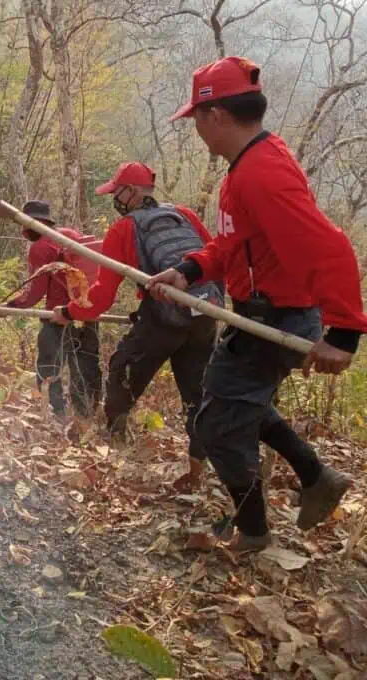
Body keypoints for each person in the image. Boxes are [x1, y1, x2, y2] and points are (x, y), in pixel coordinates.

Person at [147, 56, 364, 551]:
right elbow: (236, 244)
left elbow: (327, 247)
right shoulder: (248, 166)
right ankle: (315, 477)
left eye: (197, 118)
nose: (196, 129)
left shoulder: (260, 175)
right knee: (238, 405)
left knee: (217, 425)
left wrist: (343, 333)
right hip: (257, 312)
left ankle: (253, 533)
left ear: (217, 116)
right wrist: (189, 269)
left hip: (281, 318)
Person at [49, 162, 223, 488]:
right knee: (197, 396)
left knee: (121, 371)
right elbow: (217, 258)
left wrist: (69, 313)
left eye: (117, 191)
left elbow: (101, 295)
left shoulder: (123, 229)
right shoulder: (186, 215)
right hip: (206, 315)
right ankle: (199, 471)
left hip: (162, 320)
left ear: (131, 191)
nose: (114, 198)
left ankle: (117, 451)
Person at [8, 200, 102, 420]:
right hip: (88, 313)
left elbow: (34, 293)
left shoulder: (40, 247)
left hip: (57, 316)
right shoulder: (69, 235)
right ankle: (86, 416)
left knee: (49, 365)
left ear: (30, 224)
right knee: (85, 364)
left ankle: (56, 414)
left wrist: (10, 305)